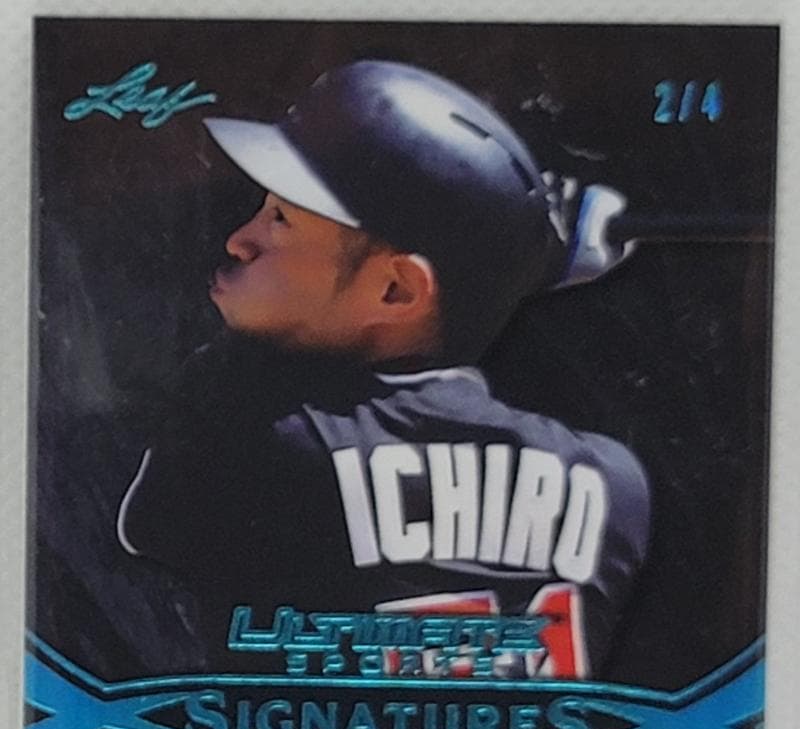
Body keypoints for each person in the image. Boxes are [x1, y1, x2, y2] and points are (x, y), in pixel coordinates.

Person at [116, 60, 650, 679]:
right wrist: (525, 259)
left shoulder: (257, 435)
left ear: (397, 291)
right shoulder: (614, 484)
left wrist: (535, 260)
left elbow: (145, 528)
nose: (240, 240)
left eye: (281, 219)